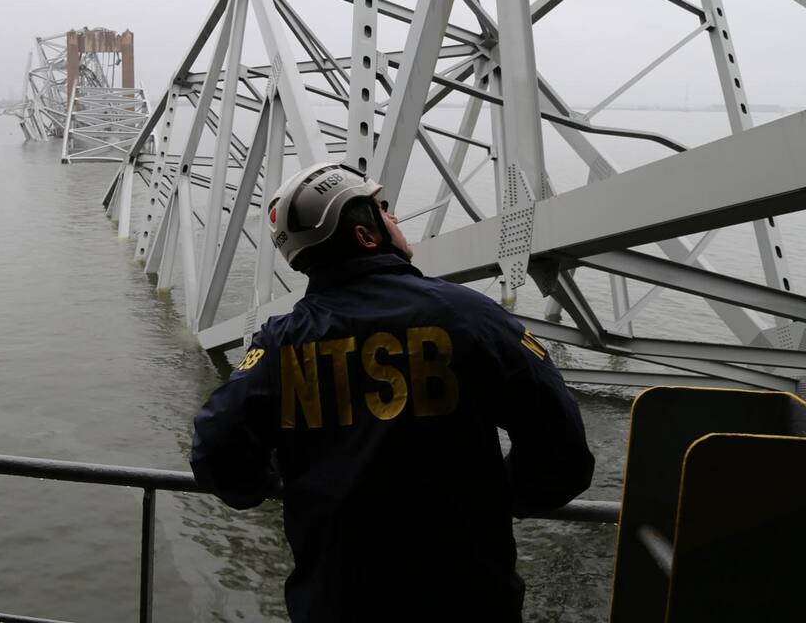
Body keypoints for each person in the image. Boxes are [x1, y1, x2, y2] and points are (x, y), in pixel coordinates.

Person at [190, 162, 594, 623]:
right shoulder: (469, 316)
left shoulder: (280, 344)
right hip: (468, 600)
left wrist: (272, 485)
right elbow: (562, 450)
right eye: (383, 209)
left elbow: (216, 453)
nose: (395, 217)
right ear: (366, 236)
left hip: (336, 604)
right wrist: (501, 499)